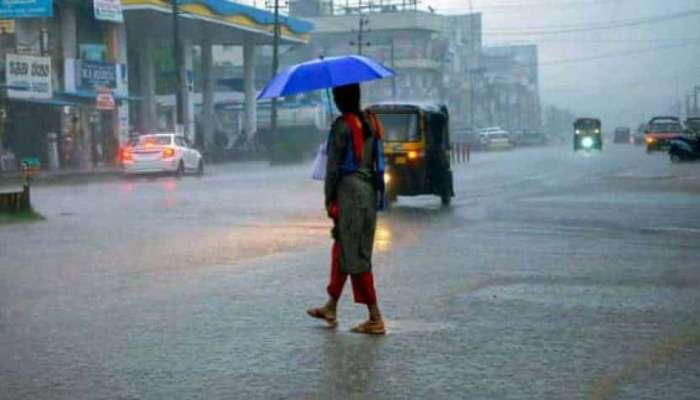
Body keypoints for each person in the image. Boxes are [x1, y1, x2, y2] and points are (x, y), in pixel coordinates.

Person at [307, 83, 387, 335]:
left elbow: (332, 169)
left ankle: (375, 317)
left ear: (341, 99)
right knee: (344, 249)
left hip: (349, 194)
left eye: (335, 96)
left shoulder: (341, 126)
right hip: (368, 192)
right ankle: (331, 306)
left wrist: (329, 199)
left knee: (356, 256)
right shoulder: (372, 122)